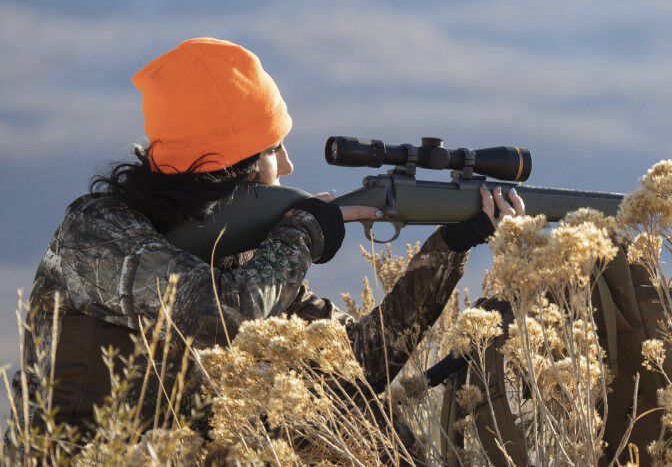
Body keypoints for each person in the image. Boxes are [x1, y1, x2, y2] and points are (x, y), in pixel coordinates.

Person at [11, 37, 525, 434]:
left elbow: (357, 364)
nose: (288, 164)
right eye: (273, 149)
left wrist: (448, 249)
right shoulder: (96, 237)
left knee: (363, 423)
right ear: (232, 164)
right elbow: (223, 315)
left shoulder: (245, 250)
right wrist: (300, 235)